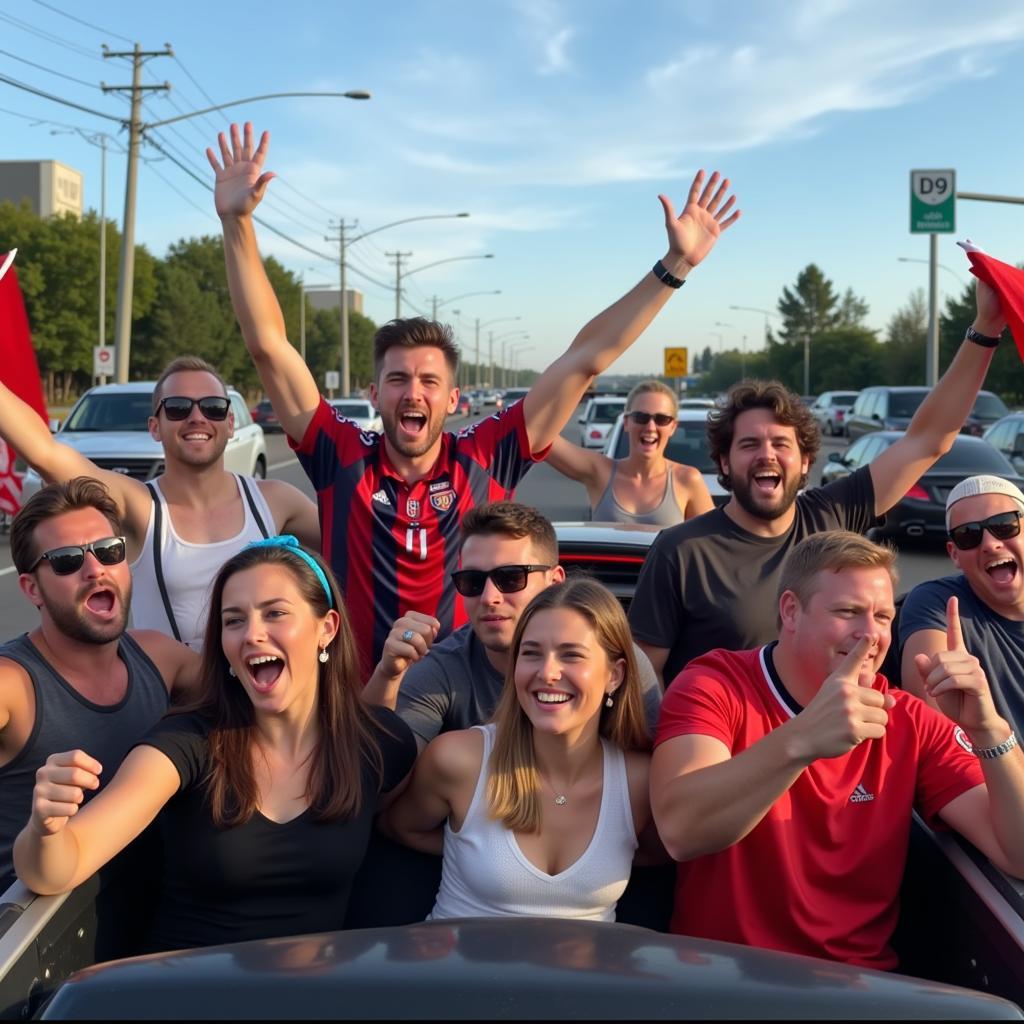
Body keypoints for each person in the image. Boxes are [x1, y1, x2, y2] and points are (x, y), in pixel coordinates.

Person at [208, 122, 740, 673]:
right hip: (360, 711)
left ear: (454, 398)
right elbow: (269, 346)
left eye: (429, 381)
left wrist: (674, 267)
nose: (413, 393)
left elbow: (586, 358)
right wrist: (237, 222)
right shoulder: (340, 454)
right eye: (397, 380)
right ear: (374, 393)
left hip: (465, 711)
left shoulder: (484, 455)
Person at [13, 537, 417, 952]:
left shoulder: (376, 743)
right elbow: (59, 866)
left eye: (275, 613)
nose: (252, 635)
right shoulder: (187, 743)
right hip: (190, 995)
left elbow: (407, 814)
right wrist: (44, 828)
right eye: (234, 620)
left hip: (316, 996)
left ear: (326, 629)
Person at [650, 531, 1024, 969]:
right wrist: (803, 739)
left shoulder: (906, 717)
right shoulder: (715, 685)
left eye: (883, 617)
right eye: (848, 612)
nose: (870, 635)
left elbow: (1016, 854)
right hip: (723, 980)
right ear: (791, 611)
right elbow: (681, 830)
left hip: (857, 989)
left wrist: (990, 730)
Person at [628, 279, 1007, 686]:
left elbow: (928, 440)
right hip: (731, 747)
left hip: (836, 742)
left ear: (806, 459)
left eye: (780, 444)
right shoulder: (681, 552)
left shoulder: (832, 516)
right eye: (749, 444)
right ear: (724, 460)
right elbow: (645, 682)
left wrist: (985, 328)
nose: (766, 455)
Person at [381, 577, 656, 921]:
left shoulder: (640, 782)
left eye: (571, 655)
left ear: (614, 675)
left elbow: (659, 854)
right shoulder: (459, 761)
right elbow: (398, 827)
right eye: (531, 654)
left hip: (588, 974)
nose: (548, 672)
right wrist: (461, 848)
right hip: (455, 970)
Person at [0, 355, 320, 649]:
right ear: (155, 427)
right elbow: (45, 452)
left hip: (262, 698)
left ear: (231, 424)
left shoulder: (276, 500)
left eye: (213, 407)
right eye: (179, 407)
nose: (197, 417)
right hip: (176, 706)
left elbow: (360, 544)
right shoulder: (140, 506)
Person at [0, 478, 198, 889]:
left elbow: (262, 699)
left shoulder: (160, 658)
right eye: (67, 561)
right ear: (31, 588)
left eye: (109, 551)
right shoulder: (12, 684)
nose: (95, 570)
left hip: (155, 922)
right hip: (40, 937)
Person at [364, 501, 663, 744]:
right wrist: (387, 676)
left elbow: (656, 771)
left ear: (555, 582)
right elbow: (380, 783)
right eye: (473, 581)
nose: (489, 598)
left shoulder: (620, 664)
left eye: (510, 578)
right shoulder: (442, 672)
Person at [900, 475, 1024, 734]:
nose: (990, 544)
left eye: (1005, 525)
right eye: (969, 535)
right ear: (954, 554)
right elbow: (939, 732)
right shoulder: (938, 604)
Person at [546, 381, 713, 525]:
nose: (650, 427)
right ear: (626, 423)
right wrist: (584, 370)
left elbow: (711, 548)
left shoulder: (687, 480)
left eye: (661, 419)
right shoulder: (600, 471)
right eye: (641, 417)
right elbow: (539, 435)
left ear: (673, 427)